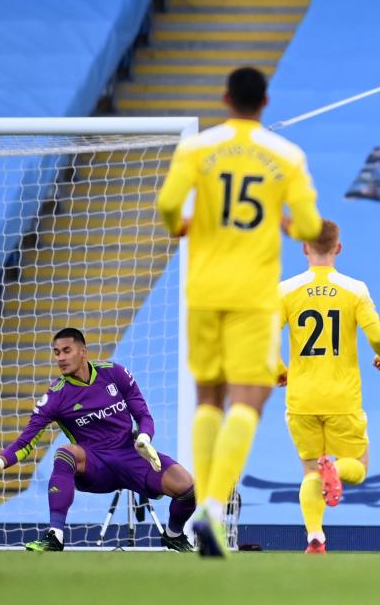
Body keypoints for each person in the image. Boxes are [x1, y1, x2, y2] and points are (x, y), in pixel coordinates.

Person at [155, 66, 323, 557]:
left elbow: (167, 205)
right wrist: (289, 224)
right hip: (253, 293)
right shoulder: (285, 155)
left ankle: (203, 507)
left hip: (204, 288)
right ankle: (209, 507)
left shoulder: (197, 148)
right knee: (249, 401)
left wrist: (182, 223)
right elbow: (310, 223)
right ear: (265, 102)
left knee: (209, 398)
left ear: (225, 98)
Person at [0, 328, 196, 552]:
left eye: (66, 351)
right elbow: (25, 442)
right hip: (95, 465)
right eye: (56, 352)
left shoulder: (115, 373)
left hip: (132, 455)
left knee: (188, 487)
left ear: (83, 351)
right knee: (66, 452)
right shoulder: (55, 397)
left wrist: (144, 437)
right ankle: (55, 536)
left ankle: (173, 535)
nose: (60, 357)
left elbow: (143, 415)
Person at [277, 220, 380, 554]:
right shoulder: (354, 289)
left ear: (304, 248)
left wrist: (278, 369)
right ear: (338, 248)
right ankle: (336, 471)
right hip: (342, 397)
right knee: (357, 467)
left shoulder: (286, 290)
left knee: (310, 471)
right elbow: (377, 337)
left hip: (301, 398)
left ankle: (315, 536)